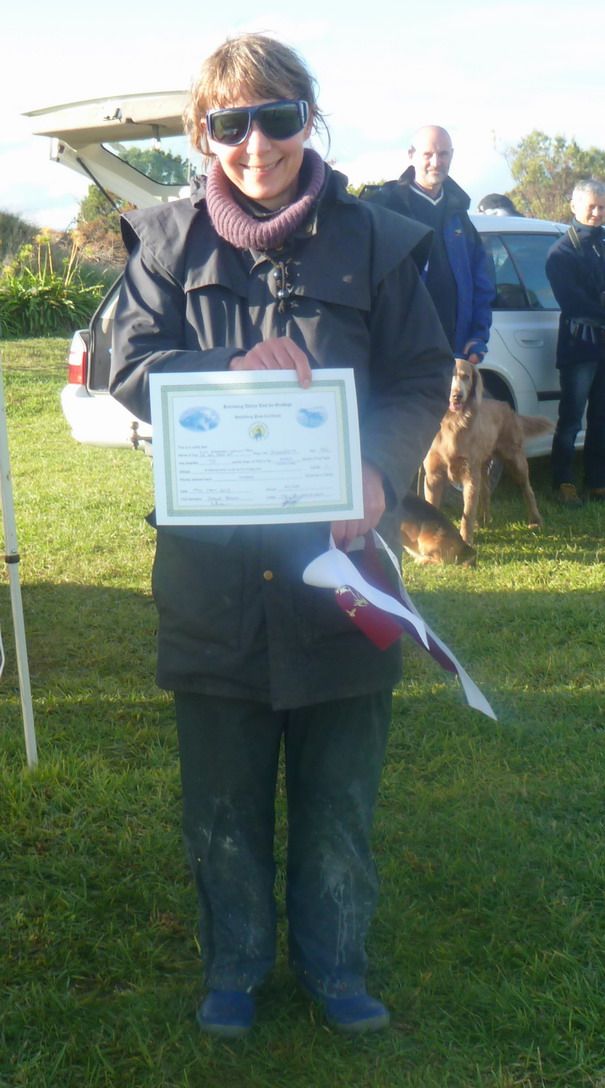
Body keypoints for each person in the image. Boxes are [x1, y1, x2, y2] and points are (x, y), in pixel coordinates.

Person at [110, 33, 453, 1039]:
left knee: (337, 795)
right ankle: (235, 966)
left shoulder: (377, 237)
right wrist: (222, 371)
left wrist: (378, 466)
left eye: (276, 118)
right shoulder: (165, 242)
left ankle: (336, 963)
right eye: (230, 123)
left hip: (342, 574)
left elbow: (418, 373)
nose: (254, 143)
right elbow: (126, 361)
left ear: (308, 119)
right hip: (214, 583)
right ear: (202, 132)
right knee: (220, 800)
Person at [361, 125, 494, 364]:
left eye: (443, 154)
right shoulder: (385, 209)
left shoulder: (460, 216)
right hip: (400, 356)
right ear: (411, 155)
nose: (436, 162)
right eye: (428, 154)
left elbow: (482, 284)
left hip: (453, 353)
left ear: (451, 156)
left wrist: (478, 336)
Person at [545, 179, 605, 506]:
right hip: (579, 344)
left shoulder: (602, 245)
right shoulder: (561, 252)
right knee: (571, 418)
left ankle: (597, 481)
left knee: (601, 418)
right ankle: (562, 480)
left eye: (602, 207)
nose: (596, 213)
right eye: (591, 206)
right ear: (574, 206)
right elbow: (573, 303)